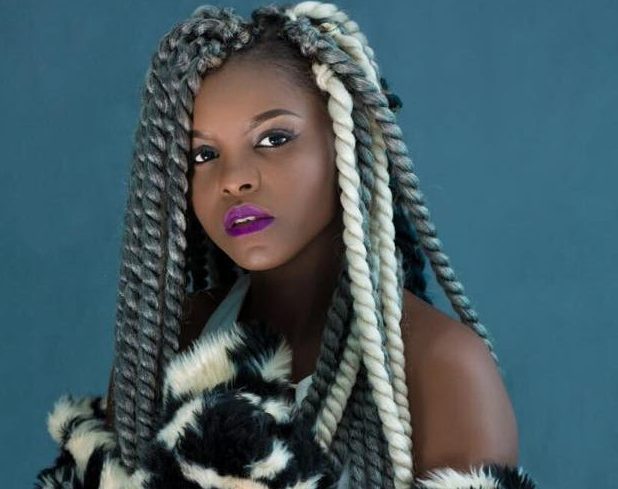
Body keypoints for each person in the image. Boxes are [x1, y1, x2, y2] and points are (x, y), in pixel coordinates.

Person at [34, 2, 537, 488]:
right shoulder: (171, 342)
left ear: (350, 143)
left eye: (274, 139)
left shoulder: (441, 368)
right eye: (204, 154)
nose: (234, 179)